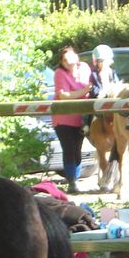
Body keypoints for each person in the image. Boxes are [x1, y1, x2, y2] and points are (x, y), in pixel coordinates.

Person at [52, 45, 93, 194]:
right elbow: (64, 95)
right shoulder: (59, 74)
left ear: (76, 56)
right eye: (64, 60)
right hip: (63, 119)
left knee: (77, 150)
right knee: (68, 149)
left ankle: (75, 179)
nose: (68, 62)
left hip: (81, 118)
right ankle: (72, 182)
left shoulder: (85, 68)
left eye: (70, 58)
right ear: (61, 62)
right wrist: (85, 90)